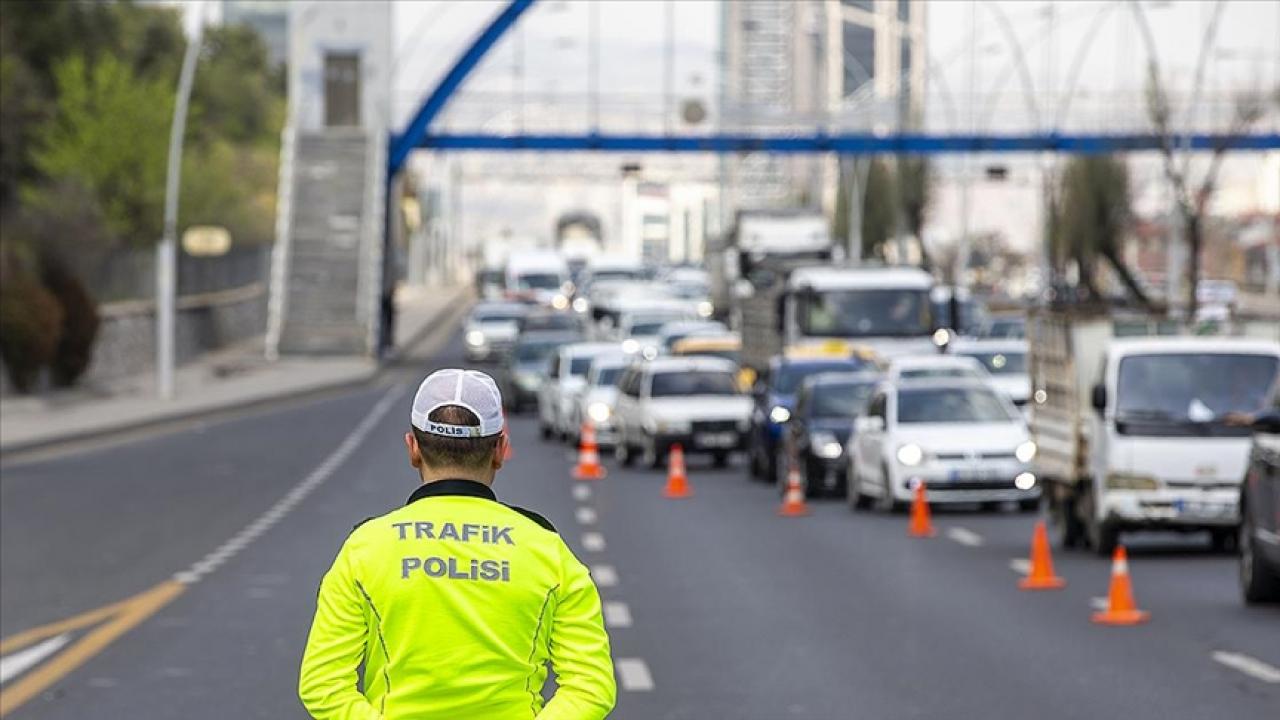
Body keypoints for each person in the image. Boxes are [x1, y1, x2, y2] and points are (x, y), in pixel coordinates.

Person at [299, 369, 616, 719]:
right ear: (500, 449)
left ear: (413, 448)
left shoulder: (365, 548)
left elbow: (322, 684)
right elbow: (591, 686)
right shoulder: (547, 549)